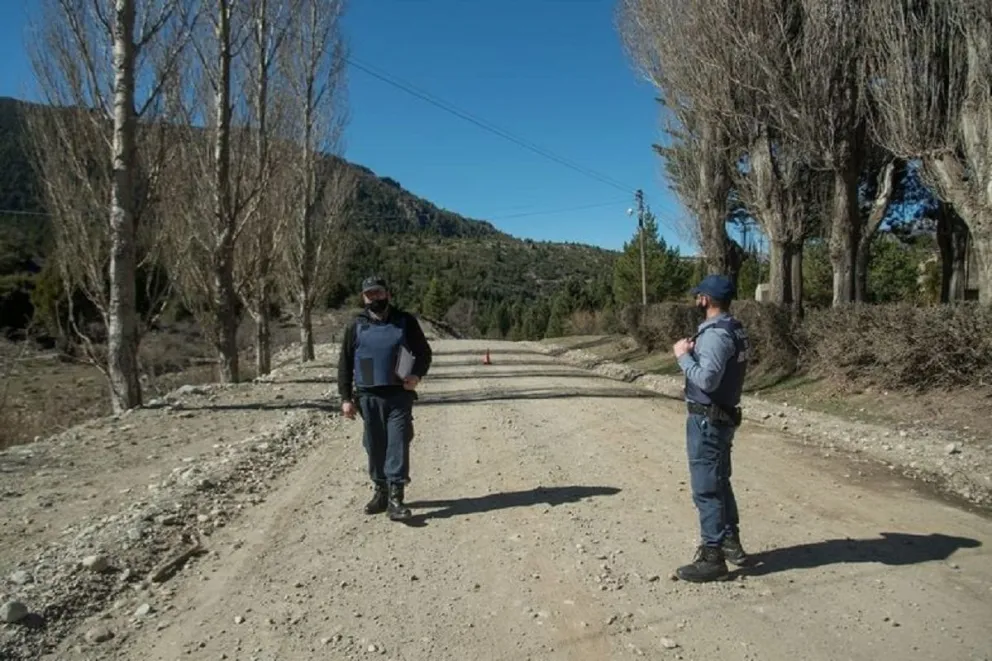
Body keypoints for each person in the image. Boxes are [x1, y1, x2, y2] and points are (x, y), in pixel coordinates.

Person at [672, 274, 751, 582]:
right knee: (720, 480)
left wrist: (683, 357)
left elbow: (707, 380)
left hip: (708, 419)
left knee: (706, 488)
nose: (696, 300)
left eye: (698, 296)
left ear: (705, 299)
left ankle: (712, 556)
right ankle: (730, 541)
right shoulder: (733, 328)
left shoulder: (717, 335)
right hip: (721, 416)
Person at [337, 275, 433, 521]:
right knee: (374, 445)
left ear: (388, 294)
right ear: (363, 297)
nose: (374, 298)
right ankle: (380, 491)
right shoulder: (355, 325)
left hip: (399, 394)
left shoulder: (405, 321)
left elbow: (424, 353)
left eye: (379, 293)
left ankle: (395, 498)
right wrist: (345, 398)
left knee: (398, 442)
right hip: (368, 396)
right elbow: (345, 363)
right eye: (370, 294)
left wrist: (416, 375)